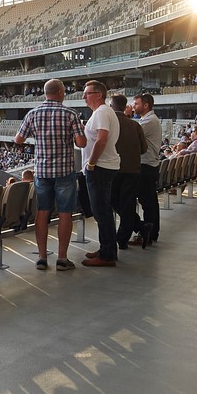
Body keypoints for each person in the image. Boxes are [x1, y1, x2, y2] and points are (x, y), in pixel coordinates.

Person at [14, 78, 84, 271]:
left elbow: (18, 139)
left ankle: (42, 258)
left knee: (42, 212)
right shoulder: (70, 114)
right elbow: (82, 143)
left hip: (42, 171)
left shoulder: (33, 114)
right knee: (65, 214)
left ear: (45, 93)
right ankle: (62, 258)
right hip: (65, 172)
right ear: (61, 93)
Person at [80, 80, 121, 267]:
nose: (83, 96)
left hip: (100, 168)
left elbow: (102, 139)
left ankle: (107, 255)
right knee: (103, 211)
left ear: (98, 95)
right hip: (104, 167)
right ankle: (107, 247)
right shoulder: (103, 112)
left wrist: (91, 163)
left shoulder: (102, 112)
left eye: (87, 93)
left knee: (101, 212)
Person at [108, 95, 146, 250]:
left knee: (113, 201)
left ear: (111, 106)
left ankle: (131, 231)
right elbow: (144, 149)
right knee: (127, 203)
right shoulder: (135, 125)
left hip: (115, 170)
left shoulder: (109, 124)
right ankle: (134, 230)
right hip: (134, 170)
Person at [131, 93, 163, 245]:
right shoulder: (149, 119)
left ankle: (148, 233)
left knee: (148, 203)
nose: (133, 106)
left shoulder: (149, 121)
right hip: (150, 165)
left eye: (136, 104)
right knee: (149, 202)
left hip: (145, 165)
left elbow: (131, 132)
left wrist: (125, 117)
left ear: (146, 105)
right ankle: (151, 232)